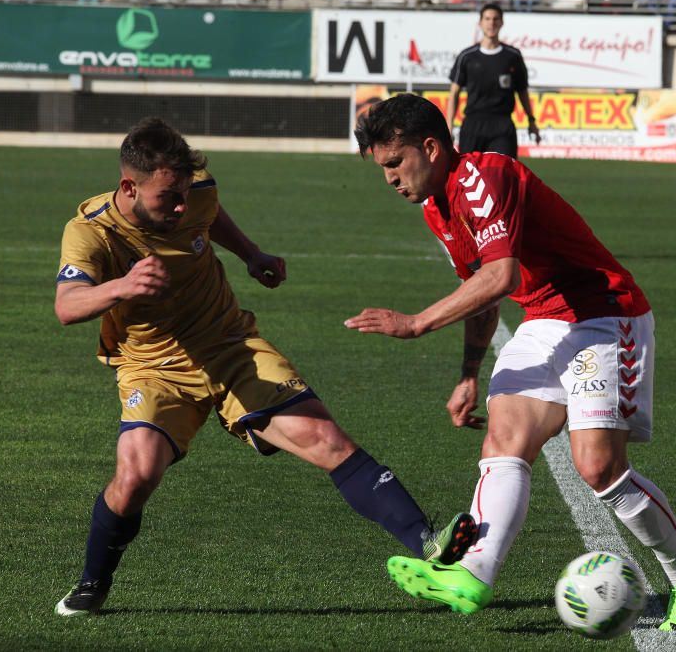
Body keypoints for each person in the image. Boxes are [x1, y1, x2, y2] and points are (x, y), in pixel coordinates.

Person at [53, 117, 476, 617]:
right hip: (153, 367)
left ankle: (430, 545)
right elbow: (67, 305)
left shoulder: (195, 193)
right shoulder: (91, 231)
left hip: (231, 344)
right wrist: (120, 286)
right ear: (130, 186)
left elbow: (210, 215)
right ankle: (91, 583)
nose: (183, 206)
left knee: (327, 441)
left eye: (186, 193)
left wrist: (251, 254)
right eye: (169, 197)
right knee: (136, 476)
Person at [347, 94, 676, 630]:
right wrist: (469, 373)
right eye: (382, 169)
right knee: (504, 440)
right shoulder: (436, 208)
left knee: (599, 469)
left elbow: (501, 276)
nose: (390, 179)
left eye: (395, 163)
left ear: (430, 147)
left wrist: (417, 322)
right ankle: (472, 574)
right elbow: (483, 291)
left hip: (602, 315)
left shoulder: (483, 176)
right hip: (542, 319)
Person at [445, 3, 541, 159]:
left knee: (502, 175)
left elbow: (522, 92)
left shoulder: (513, 56)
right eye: (487, 19)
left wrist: (531, 121)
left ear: (502, 23)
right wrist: (449, 126)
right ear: (480, 23)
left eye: (496, 19)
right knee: (469, 177)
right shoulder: (467, 56)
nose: (491, 23)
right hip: (473, 124)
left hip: (502, 125)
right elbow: (454, 93)